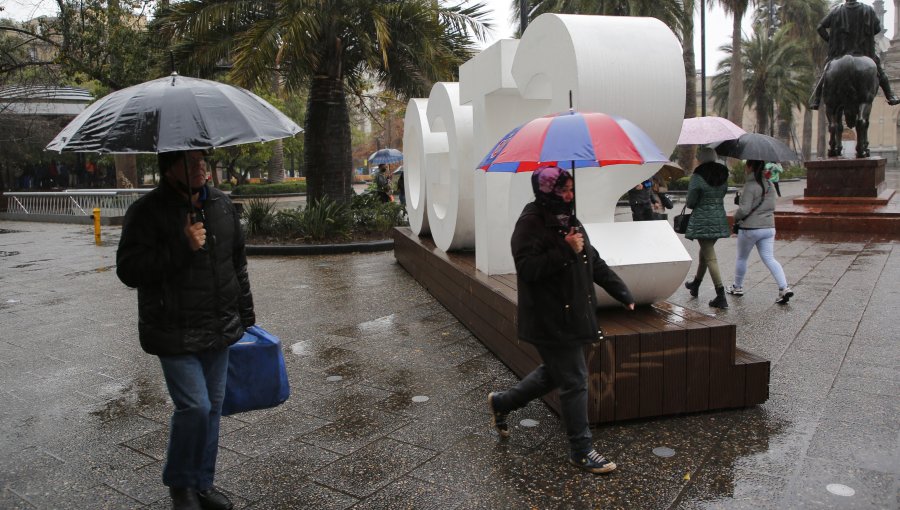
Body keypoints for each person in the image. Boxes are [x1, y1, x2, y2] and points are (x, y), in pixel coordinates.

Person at [117, 150, 254, 510]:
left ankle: (202, 484)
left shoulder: (222, 206)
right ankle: (180, 483)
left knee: (212, 409)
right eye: (190, 162)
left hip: (218, 324)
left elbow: (237, 263)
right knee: (194, 406)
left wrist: (246, 315)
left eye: (202, 161)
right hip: (172, 328)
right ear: (169, 168)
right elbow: (129, 270)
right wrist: (182, 244)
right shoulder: (146, 212)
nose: (201, 168)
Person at [487, 166, 635, 474]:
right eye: (562, 190)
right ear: (545, 190)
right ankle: (581, 450)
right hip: (548, 318)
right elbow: (528, 269)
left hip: (573, 315)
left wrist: (622, 291)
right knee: (575, 379)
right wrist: (565, 249)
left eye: (570, 189)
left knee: (554, 375)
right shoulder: (530, 223)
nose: (568, 195)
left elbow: (592, 260)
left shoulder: (570, 220)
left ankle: (502, 403)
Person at [809, 0, 900, 109]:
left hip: (840, 52)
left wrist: (832, 41)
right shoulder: (868, 10)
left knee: (825, 72)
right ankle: (890, 95)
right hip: (863, 51)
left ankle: (816, 99)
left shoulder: (836, 11)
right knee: (880, 71)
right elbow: (877, 28)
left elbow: (820, 27)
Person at [727, 160, 794, 305]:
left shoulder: (750, 186)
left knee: (742, 258)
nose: (745, 167)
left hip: (750, 229)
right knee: (770, 258)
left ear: (750, 167)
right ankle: (784, 287)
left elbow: (744, 210)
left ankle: (737, 287)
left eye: (746, 165)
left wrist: (736, 216)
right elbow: (771, 205)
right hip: (768, 228)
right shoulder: (769, 184)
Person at [683, 147, 731, 309]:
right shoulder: (723, 173)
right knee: (705, 252)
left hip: (703, 219)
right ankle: (696, 284)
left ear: (701, 158)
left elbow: (691, 201)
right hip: (718, 218)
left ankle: (720, 294)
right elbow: (723, 192)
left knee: (710, 257)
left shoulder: (698, 175)